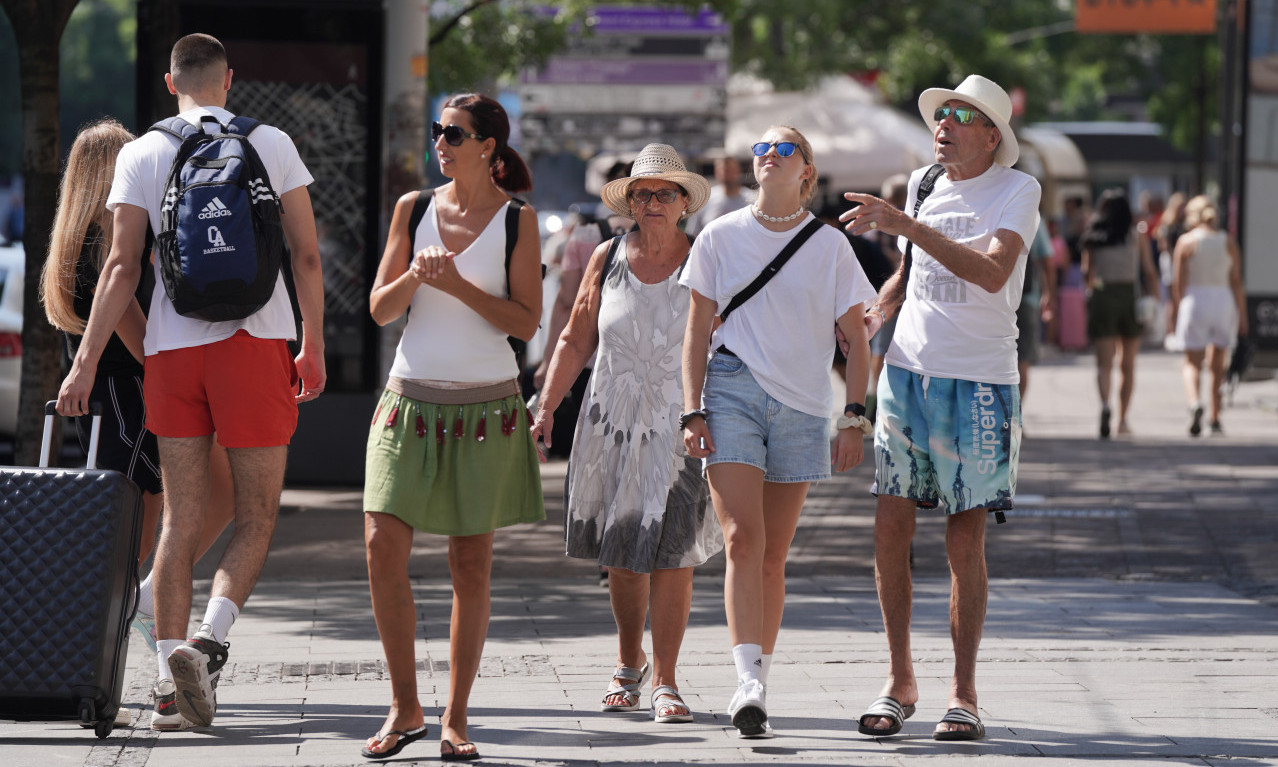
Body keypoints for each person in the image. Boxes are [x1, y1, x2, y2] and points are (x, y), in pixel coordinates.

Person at [56, 33, 326, 730]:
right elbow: (306, 256)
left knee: (178, 518)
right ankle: (208, 641)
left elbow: (120, 268)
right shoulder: (272, 144)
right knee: (256, 512)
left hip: (173, 352)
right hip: (255, 343)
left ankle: (169, 686)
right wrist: (313, 345)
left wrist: (84, 363)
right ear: (229, 80)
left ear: (172, 84)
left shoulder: (141, 152)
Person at [841, 74, 1041, 741]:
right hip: (907, 374)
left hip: (978, 381)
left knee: (964, 537)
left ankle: (964, 692)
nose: (945, 122)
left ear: (992, 134)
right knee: (889, 527)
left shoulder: (1018, 189)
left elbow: (990, 272)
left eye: (963, 114)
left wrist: (906, 227)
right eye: (942, 112)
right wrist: (884, 302)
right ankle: (900, 678)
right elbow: (910, 265)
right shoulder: (923, 183)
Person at [362, 93, 544, 762]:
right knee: (381, 541)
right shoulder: (413, 209)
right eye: (438, 130)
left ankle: (455, 716)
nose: (442, 141)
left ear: (489, 146)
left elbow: (527, 323)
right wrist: (416, 273)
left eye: (456, 133)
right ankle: (404, 704)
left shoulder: (520, 222)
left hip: (484, 406)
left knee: (471, 561)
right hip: (408, 397)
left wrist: (460, 285)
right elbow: (381, 310)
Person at [40, 120, 238, 724]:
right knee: (152, 530)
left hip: (118, 393)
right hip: (138, 392)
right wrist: (177, 369)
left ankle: (144, 632)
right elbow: (134, 322)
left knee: (166, 525)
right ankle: (137, 670)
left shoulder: (83, 236)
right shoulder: (108, 241)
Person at [681, 126, 876, 739]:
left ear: (807, 173)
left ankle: (759, 669)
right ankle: (749, 683)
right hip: (732, 389)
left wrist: (854, 418)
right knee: (742, 538)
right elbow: (694, 334)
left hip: (803, 402)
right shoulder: (719, 236)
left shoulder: (830, 247)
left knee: (772, 554)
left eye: (783, 150)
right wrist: (693, 410)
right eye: (761, 150)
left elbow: (858, 342)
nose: (768, 156)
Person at [531, 143, 722, 726]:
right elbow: (574, 337)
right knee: (622, 550)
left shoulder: (707, 259)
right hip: (611, 422)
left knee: (673, 552)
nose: (652, 203)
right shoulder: (607, 255)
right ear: (629, 201)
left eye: (665, 193)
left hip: (682, 423)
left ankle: (665, 678)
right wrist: (546, 405)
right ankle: (627, 660)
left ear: (685, 202)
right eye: (642, 193)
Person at [1081, 189, 1161, 438]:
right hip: (1129, 297)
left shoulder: (1094, 237)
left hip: (1103, 295)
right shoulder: (1136, 236)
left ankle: (1105, 406)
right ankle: (1123, 419)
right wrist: (1156, 297)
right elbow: (1148, 270)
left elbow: (1087, 273)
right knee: (1128, 364)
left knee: (1104, 363)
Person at [1169, 195, 1248, 436]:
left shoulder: (1186, 242)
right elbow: (1236, 282)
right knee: (1218, 363)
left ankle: (1195, 403)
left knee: (1192, 362)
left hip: (1195, 300)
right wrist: (1242, 314)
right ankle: (1215, 415)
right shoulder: (1228, 242)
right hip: (1222, 301)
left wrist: (1176, 312)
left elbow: (1178, 283)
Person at [1016, 220, 1057, 406]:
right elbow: (1047, 260)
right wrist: (1049, 294)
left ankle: (1003, 417)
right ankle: (1015, 416)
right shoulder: (1033, 218)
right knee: (1022, 361)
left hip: (992, 299)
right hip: (1027, 298)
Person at [684, 151, 753, 237]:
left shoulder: (751, 199)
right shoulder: (705, 199)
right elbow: (693, 233)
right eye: (722, 170)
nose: (725, 173)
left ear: (738, 171)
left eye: (729, 170)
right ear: (716, 172)